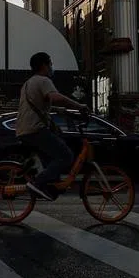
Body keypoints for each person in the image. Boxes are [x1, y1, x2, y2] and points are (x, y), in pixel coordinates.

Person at [15, 51, 88, 201]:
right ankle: (37, 183)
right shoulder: (43, 81)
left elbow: (39, 105)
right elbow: (55, 97)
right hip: (35, 129)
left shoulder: (28, 83)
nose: (52, 67)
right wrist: (79, 105)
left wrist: (61, 111)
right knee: (66, 156)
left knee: (51, 160)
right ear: (44, 65)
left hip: (24, 129)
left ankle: (48, 187)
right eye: (50, 63)